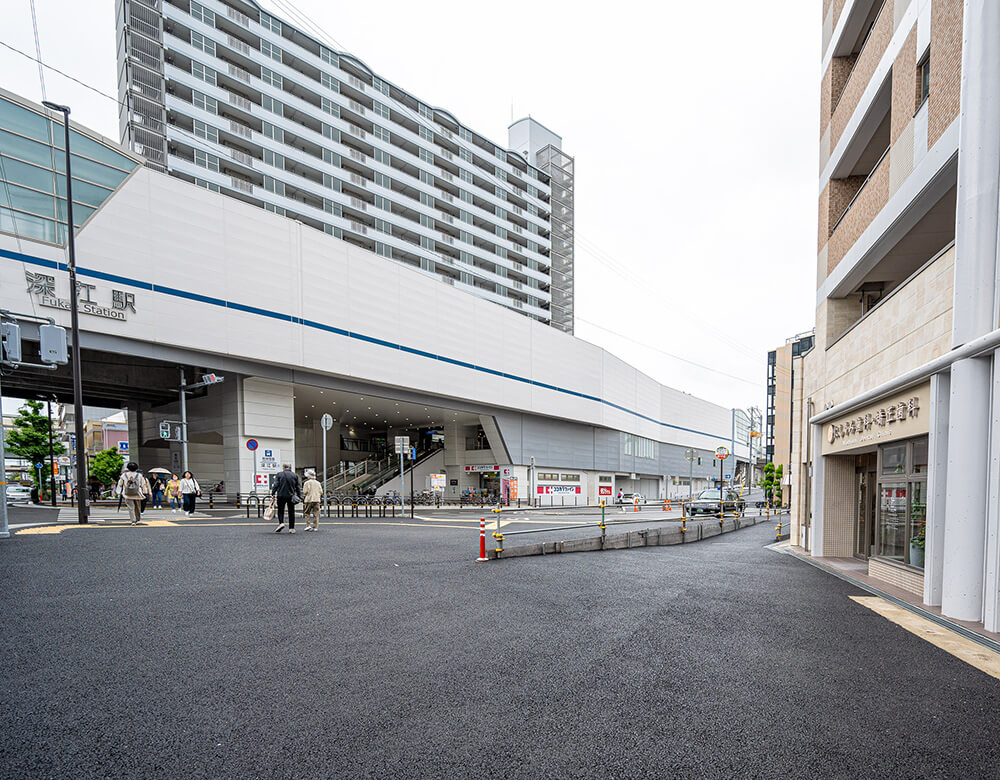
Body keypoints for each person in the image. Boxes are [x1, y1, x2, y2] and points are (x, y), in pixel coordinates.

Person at [270, 463, 302, 533]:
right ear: (290, 468)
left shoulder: (279, 474)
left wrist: (272, 493)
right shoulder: (295, 475)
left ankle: (281, 523)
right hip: (291, 496)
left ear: (283, 467)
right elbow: (298, 487)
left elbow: (276, 485)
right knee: (291, 511)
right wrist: (300, 496)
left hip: (281, 495)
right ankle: (291, 528)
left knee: (280, 510)